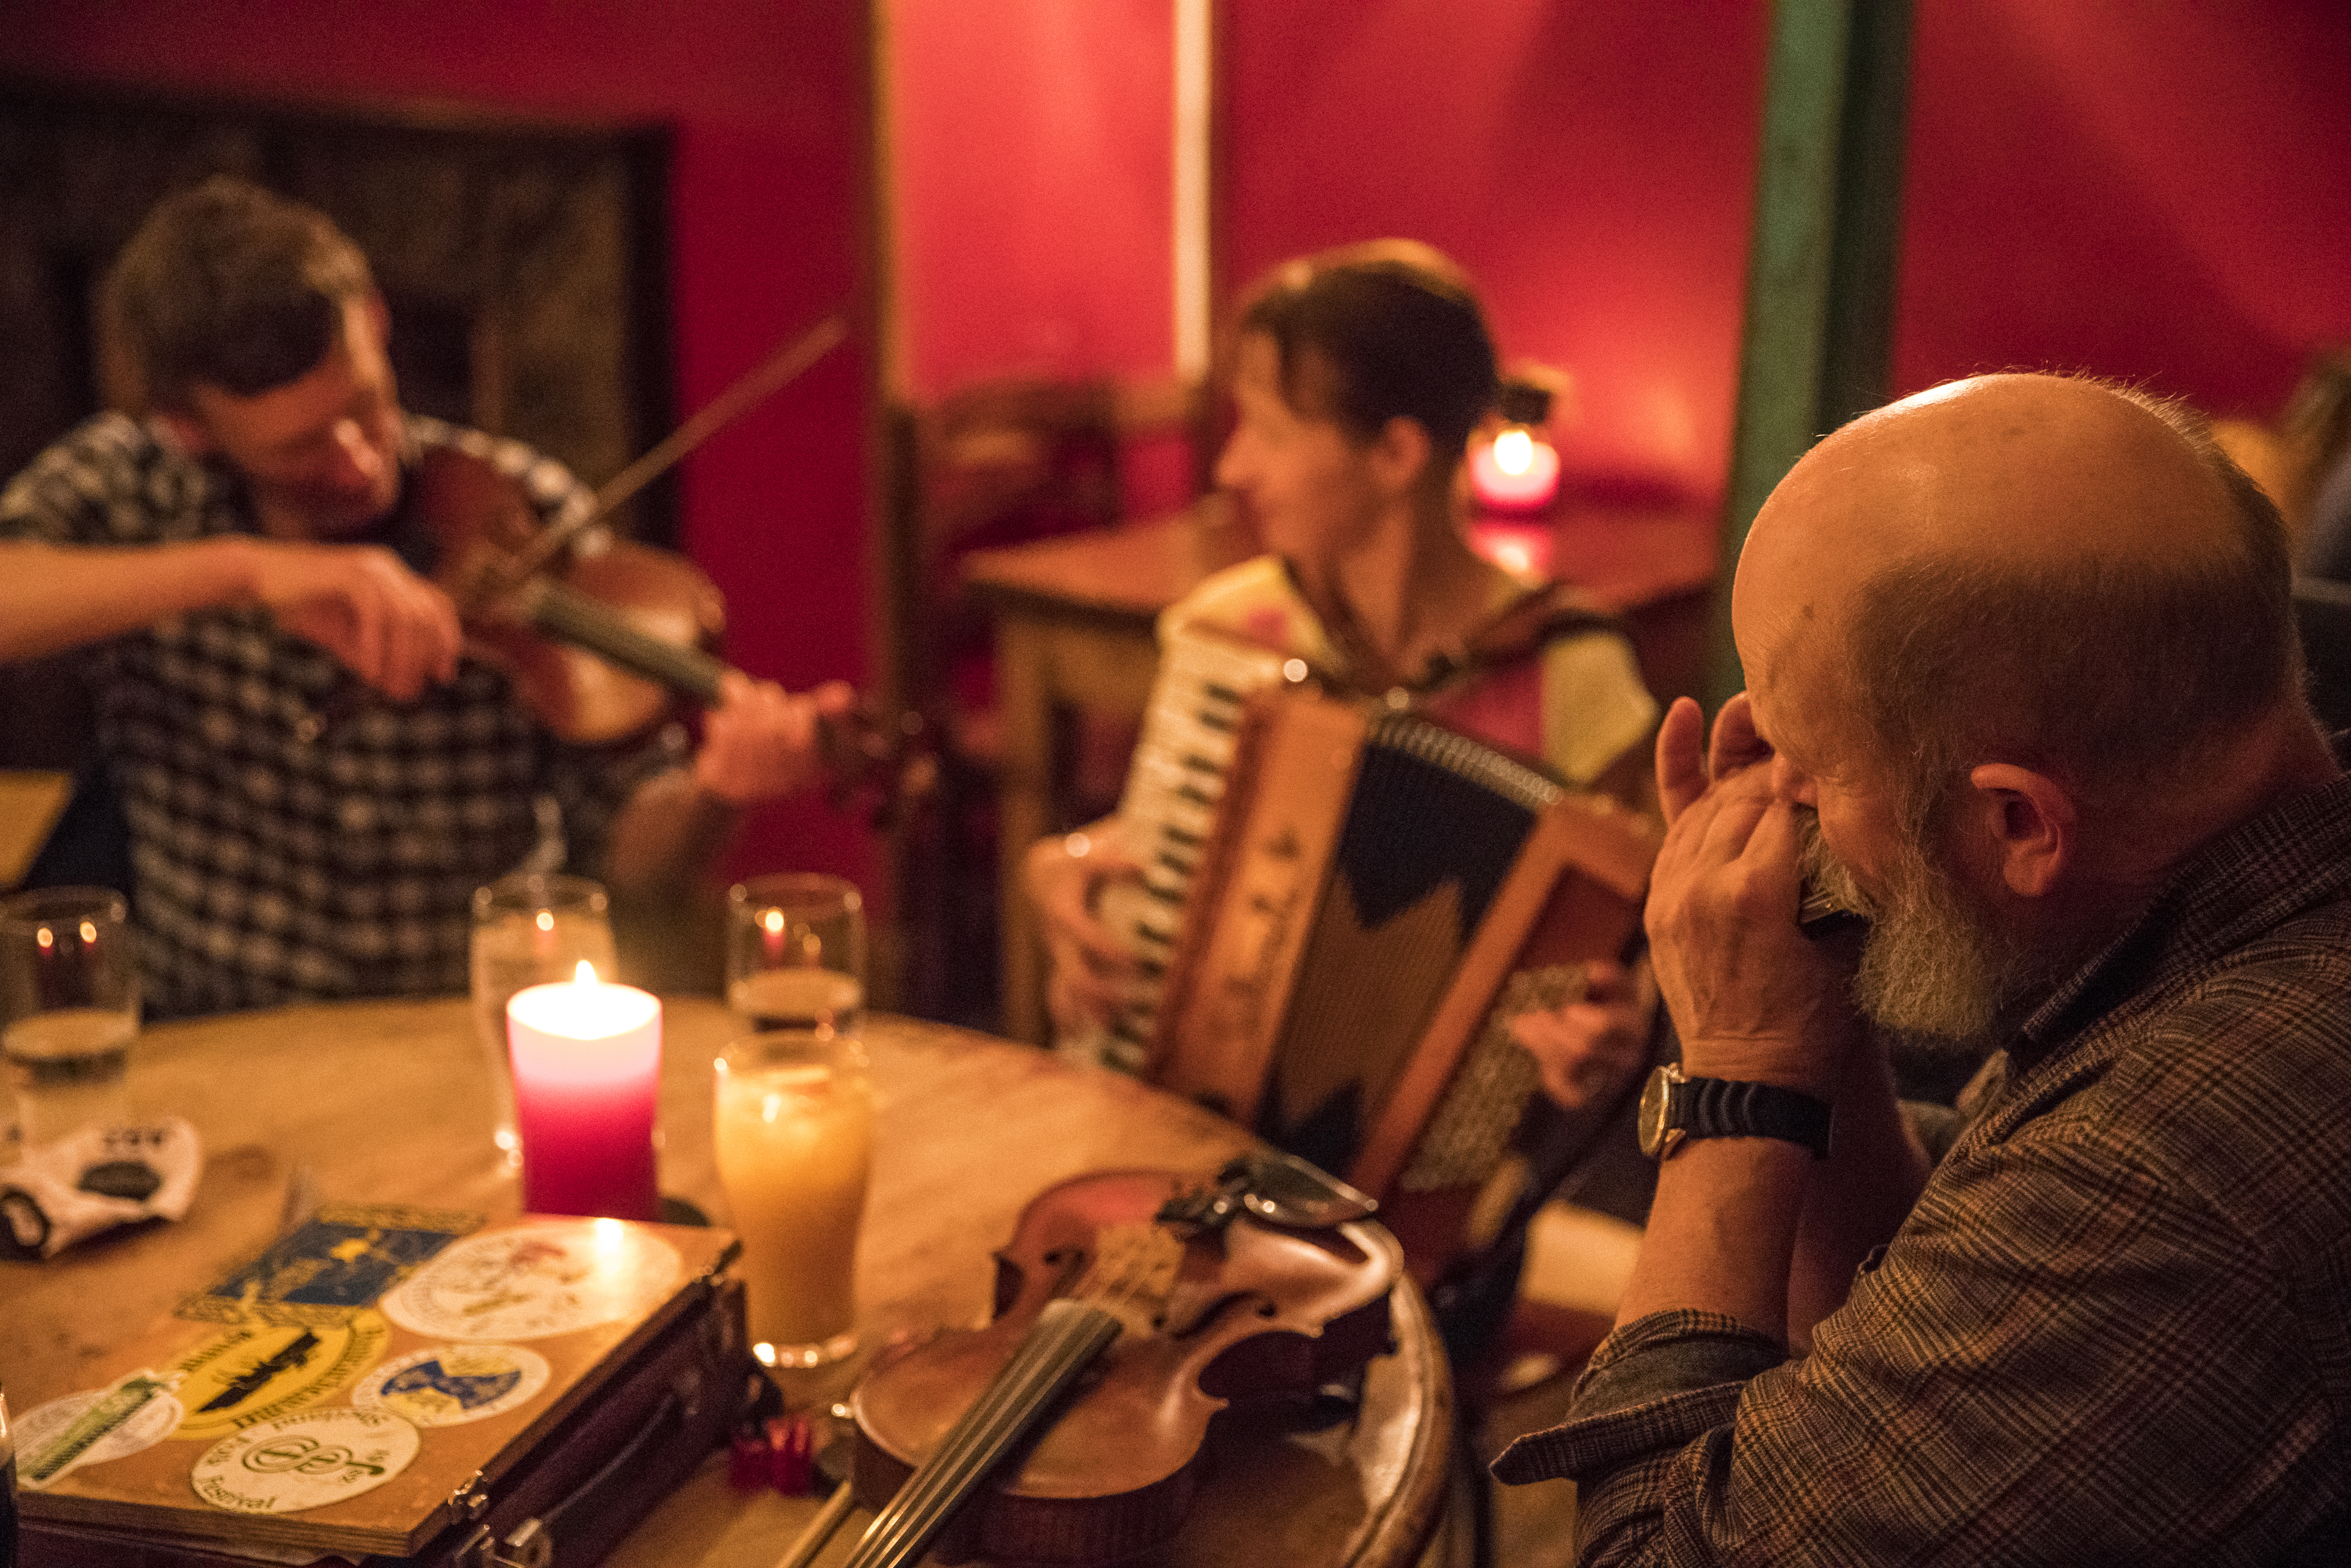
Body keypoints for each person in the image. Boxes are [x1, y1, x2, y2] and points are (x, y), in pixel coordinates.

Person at [1491, 372, 2351, 1563]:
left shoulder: (2174, 1170)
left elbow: (1656, 1551)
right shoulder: (2227, 917)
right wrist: (1816, 1029)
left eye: (1807, 762)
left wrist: (1734, 1078)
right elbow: (1942, 1300)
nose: (1774, 801)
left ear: (2017, 824)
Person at [0, 176, 848, 1017]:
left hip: (465, 1025)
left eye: (365, 407)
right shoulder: (128, 490)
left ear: (372, 317)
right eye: (300, 449)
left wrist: (717, 793)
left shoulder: (521, 512)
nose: (359, 463)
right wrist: (244, 571)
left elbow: (631, 857)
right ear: (188, 430)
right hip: (214, 1027)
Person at [1025, 240, 1662, 1112]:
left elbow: (1642, 959)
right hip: (1212, 1131)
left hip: (1449, 1158)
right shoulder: (1228, 639)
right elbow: (1182, 859)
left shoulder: (1571, 671)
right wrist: (1071, 866)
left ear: (1396, 456)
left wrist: (1614, 1025)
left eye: (1272, 432)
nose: (1232, 468)